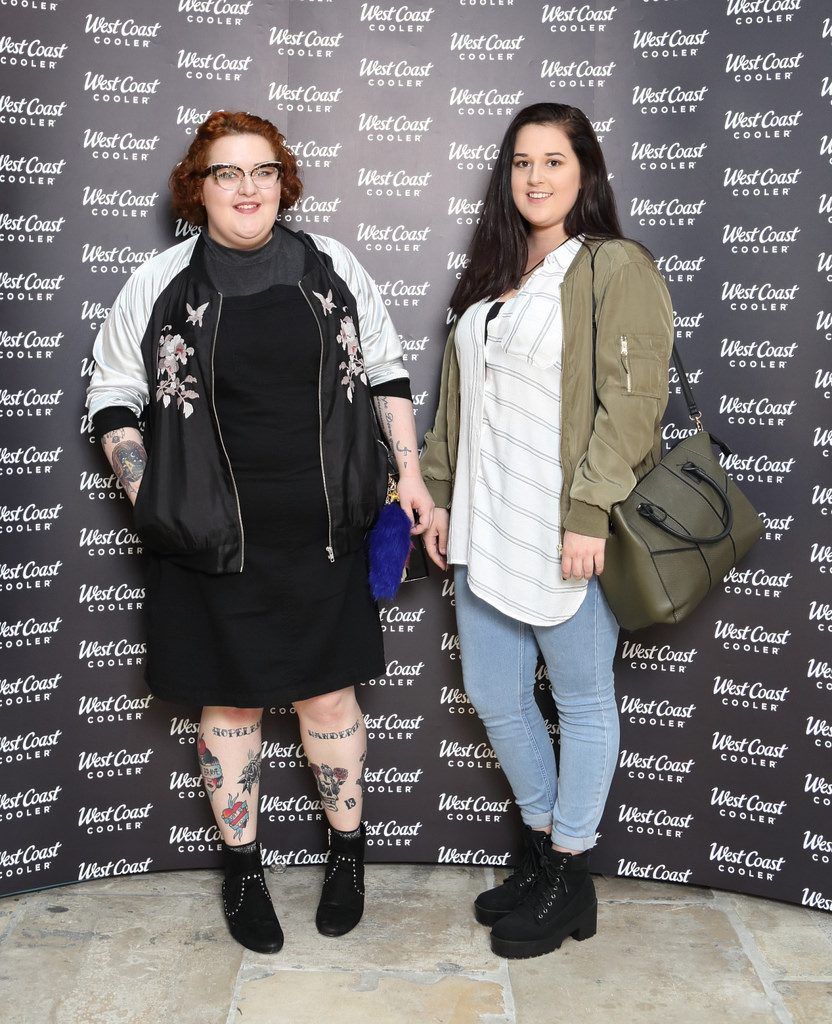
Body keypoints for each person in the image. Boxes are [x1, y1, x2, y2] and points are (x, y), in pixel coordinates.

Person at [86, 110, 434, 954]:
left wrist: (412, 475)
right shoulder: (161, 279)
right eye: (227, 173)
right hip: (209, 540)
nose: (247, 189)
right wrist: (153, 498)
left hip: (322, 532)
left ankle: (346, 854)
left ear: (285, 182)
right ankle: (242, 868)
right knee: (231, 700)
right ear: (195, 188)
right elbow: (112, 396)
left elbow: (385, 370)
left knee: (327, 695)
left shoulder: (333, 267)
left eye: (264, 171)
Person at [421, 102, 673, 960]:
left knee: (581, 699)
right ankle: (540, 848)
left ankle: (570, 872)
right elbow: (460, 408)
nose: (536, 176)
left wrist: (588, 511)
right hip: (485, 529)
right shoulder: (494, 277)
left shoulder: (612, 265)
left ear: (586, 172)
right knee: (496, 695)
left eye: (554, 161)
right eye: (522, 161)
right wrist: (441, 495)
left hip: (566, 528)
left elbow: (633, 404)